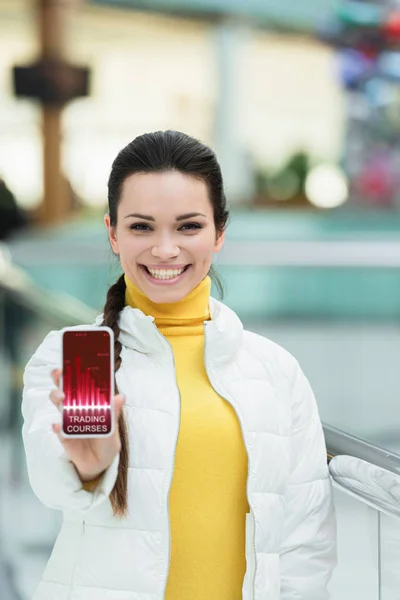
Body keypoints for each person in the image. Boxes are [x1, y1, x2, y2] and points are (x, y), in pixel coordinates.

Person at [21, 130, 337, 600]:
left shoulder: (275, 369)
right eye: (141, 227)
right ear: (112, 232)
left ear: (220, 233)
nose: (165, 249)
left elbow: (305, 538)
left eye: (188, 226)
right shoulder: (78, 355)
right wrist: (86, 470)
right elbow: (52, 483)